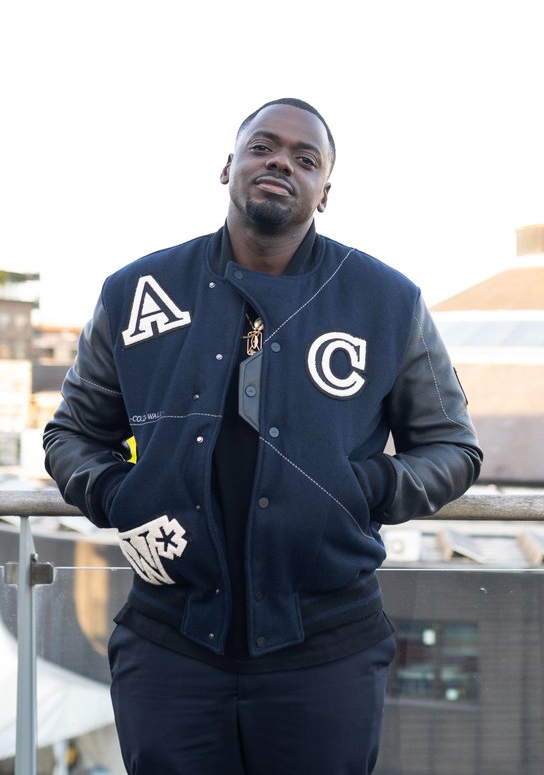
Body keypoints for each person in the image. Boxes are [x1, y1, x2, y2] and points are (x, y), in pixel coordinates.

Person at [43, 97, 482, 774]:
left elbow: (453, 448)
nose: (281, 162)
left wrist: (364, 487)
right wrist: (116, 495)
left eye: (305, 159)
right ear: (228, 166)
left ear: (325, 191)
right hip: (169, 641)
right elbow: (72, 432)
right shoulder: (136, 290)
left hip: (327, 647)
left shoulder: (388, 301)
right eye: (263, 147)